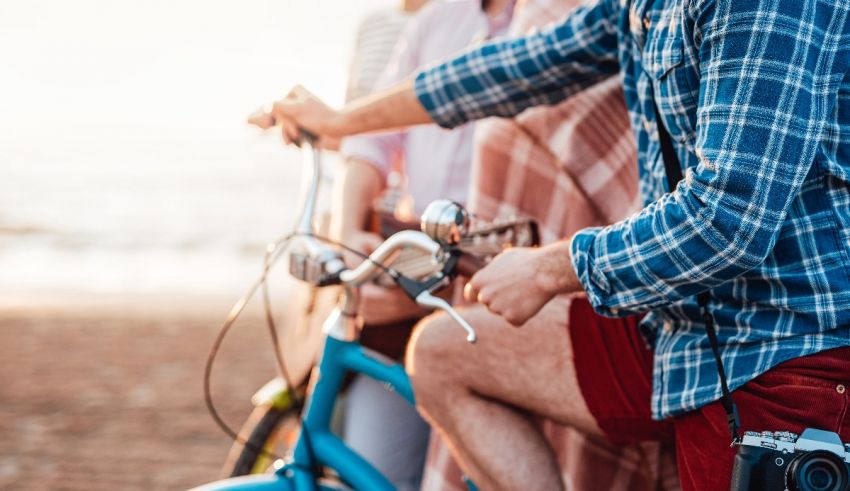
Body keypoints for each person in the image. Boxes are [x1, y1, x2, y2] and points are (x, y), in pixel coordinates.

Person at [254, 1, 850, 489]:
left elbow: (729, 220)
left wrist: (549, 269)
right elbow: (513, 67)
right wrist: (340, 122)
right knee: (443, 351)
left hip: (786, 355)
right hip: (681, 331)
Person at [320, 1, 514, 489]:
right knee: (371, 470)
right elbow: (373, 141)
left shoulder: (558, 18)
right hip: (409, 292)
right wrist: (348, 234)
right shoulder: (435, 20)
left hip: (504, 302)